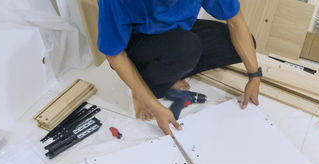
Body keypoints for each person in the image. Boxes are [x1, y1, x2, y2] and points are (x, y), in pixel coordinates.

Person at [97, 0, 261, 136]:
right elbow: (114, 55)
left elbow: (235, 21)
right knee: (187, 47)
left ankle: (171, 69)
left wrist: (254, 76)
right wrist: (153, 103)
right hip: (135, 43)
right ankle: (146, 86)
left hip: (177, 33)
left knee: (239, 45)